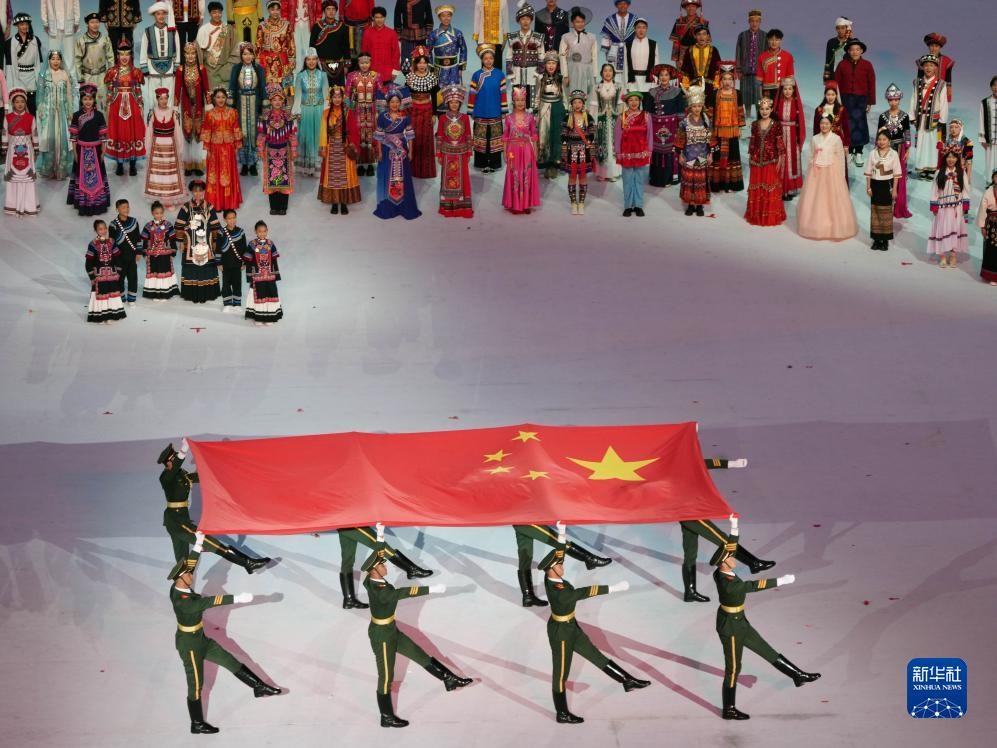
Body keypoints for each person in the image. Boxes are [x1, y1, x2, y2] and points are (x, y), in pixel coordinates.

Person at [711, 514, 820, 721]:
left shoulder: (722, 572)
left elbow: (731, 547)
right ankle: (729, 709)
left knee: (765, 649)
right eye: (730, 558)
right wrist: (781, 581)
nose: (734, 558)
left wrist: (734, 527)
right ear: (723, 564)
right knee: (733, 668)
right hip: (731, 627)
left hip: (738, 621)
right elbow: (753, 586)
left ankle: (797, 675)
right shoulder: (730, 586)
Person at [538, 524, 649, 724]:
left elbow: (559, 553)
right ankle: (562, 713)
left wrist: (561, 533)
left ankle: (627, 680)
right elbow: (585, 592)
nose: (562, 566)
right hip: (561, 633)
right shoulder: (561, 593)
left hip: (571, 626)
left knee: (595, 654)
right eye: (559, 565)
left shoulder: (551, 577)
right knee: (561, 673)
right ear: (551, 569)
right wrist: (614, 588)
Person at [362, 533, 472, 728]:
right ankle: (386, 717)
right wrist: (431, 589)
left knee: (419, 654)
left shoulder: (370, 580)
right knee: (386, 676)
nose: (386, 567)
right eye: (383, 565)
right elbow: (404, 592)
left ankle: (449, 679)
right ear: (375, 570)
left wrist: (379, 537)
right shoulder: (383, 592)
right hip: (382, 636)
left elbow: (375, 557)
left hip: (390, 629)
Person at [168, 544, 281, 735]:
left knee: (229, 660)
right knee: (195, 685)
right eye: (188, 575)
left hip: (201, 639)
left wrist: (197, 547)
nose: (192, 576)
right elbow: (210, 601)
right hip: (190, 646)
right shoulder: (185, 603)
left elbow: (191, 566)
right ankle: (197, 723)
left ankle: (259, 687)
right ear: (181, 578)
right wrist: (237, 598)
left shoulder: (179, 586)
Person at [157, 440, 274, 565]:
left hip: (180, 519)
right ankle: (248, 563)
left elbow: (202, 476)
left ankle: (181, 581)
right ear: (169, 463)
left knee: (182, 562)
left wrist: (227, 472)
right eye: (175, 459)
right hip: (176, 521)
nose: (177, 461)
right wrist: (184, 449)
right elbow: (176, 467)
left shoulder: (181, 475)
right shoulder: (165, 477)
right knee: (211, 543)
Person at [339, 523, 433, 609]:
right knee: (381, 546)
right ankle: (411, 569)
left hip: (341, 521)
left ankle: (349, 599)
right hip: (350, 522)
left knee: (347, 560)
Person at [796, 115, 857, 241]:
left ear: (831, 125)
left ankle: (835, 226)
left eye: (827, 124)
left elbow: (841, 157)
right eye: (822, 123)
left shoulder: (836, 139)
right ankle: (815, 225)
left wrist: (841, 175)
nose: (824, 126)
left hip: (832, 172)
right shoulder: (815, 138)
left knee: (832, 198)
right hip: (816, 173)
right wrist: (811, 168)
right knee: (816, 198)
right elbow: (811, 155)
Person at [373, 85, 421, 218]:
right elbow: (379, 136)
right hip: (386, 149)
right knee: (387, 175)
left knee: (402, 176)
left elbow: (410, 135)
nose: (394, 104)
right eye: (392, 102)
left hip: (402, 150)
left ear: (400, 103)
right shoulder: (382, 117)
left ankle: (402, 205)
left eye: (397, 102)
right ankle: (388, 204)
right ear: (388, 103)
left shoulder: (405, 117)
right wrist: (379, 152)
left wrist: (410, 152)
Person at [104, 38, 146, 177]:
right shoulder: (112, 72)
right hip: (117, 104)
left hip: (132, 103)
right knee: (119, 132)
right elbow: (110, 89)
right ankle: (120, 164)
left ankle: (133, 164)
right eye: (121, 54)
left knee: (133, 132)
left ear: (130, 56)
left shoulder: (136, 72)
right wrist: (108, 104)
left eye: (127, 54)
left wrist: (140, 104)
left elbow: (138, 89)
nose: (124, 57)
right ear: (117, 56)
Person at [318, 83, 362, 213]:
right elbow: (323, 132)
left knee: (344, 175)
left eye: (339, 97)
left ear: (343, 98)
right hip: (331, 147)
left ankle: (343, 202)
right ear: (330, 98)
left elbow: (354, 130)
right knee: (333, 175)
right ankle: (334, 202)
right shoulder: (326, 113)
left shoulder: (348, 112)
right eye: (334, 97)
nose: (337, 99)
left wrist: (352, 144)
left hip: (344, 146)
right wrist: (323, 147)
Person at [175, 180, 222, 301]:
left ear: (203, 192)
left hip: (207, 243)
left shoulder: (209, 207)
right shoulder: (186, 207)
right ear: (191, 192)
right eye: (195, 191)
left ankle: (208, 294)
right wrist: (181, 242)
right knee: (191, 267)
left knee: (206, 266)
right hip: (190, 244)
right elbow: (179, 225)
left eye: (200, 191)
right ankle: (191, 294)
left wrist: (215, 241)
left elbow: (215, 226)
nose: (198, 193)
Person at [68, 83, 111, 215]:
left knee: (97, 177)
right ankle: (83, 203)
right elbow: (74, 136)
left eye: (90, 99)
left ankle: (97, 202)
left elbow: (103, 136)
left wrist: (103, 151)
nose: (88, 102)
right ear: (81, 100)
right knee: (82, 176)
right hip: (81, 150)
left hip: (96, 151)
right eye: (85, 99)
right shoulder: (76, 115)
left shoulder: (99, 115)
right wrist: (75, 152)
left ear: (94, 100)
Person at [35, 51, 76, 181]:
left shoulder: (65, 74)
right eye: (53, 58)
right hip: (48, 113)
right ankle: (49, 168)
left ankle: (61, 168)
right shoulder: (44, 75)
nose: (56, 61)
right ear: (49, 60)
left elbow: (69, 94)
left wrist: (70, 111)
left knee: (62, 139)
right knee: (49, 139)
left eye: (58, 59)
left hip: (62, 112)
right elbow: (40, 94)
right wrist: (41, 110)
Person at [200, 87, 244, 209]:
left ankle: (229, 202)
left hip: (229, 147)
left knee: (229, 173)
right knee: (215, 174)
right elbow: (207, 131)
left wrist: (237, 145)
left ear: (226, 98)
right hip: (215, 148)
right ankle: (216, 202)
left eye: (223, 97)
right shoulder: (209, 114)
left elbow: (236, 129)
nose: (221, 100)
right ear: (214, 98)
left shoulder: (232, 112)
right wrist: (207, 148)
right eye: (218, 97)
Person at [744, 96, 784, 227]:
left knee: (769, 186)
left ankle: (768, 216)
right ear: (759, 110)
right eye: (762, 109)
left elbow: (779, 142)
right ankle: (757, 214)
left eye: (767, 109)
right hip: (756, 160)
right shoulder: (755, 125)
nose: (764, 111)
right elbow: (753, 142)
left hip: (770, 160)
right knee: (757, 186)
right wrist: (750, 156)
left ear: (771, 109)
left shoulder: (776, 125)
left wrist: (781, 158)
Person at [144, 87, 189, 205]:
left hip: (170, 147)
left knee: (170, 172)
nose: (164, 101)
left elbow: (178, 131)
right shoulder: (152, 113)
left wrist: (180, 148)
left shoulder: (174, 113)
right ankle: (159, 195)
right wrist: (148, 148)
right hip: (157, 147)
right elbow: (148, 132)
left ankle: (170, 197)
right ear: (157, 99)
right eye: (161, 99)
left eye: (165, 98)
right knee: (158, 171)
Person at [257, 84, 297, 214]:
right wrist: (260, 149)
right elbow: (262, 135)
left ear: (283, 100)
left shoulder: (288, 116)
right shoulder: (265, 116)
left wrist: (294, 149)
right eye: (274, 99)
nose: (277, 102)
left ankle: (283, 207)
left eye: (280, 99)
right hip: (270, 151)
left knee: (284, 178)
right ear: (270, 101)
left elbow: (292, 135)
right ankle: (273, 207)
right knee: (272, 179)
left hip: (285, 150)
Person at [435, 83, 474, 217]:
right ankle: (448, 207)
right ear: (447, 103)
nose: (454, 104)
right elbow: (440, 136)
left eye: (456, 102)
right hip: (447, 153)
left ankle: (462, 207)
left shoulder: (465, 118)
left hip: (461, 153)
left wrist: (469, 152)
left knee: (463, 179)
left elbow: (468, 135)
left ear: (460, 103)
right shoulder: (442, 118)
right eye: (451, 102)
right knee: (448, 179)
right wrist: (438, 153)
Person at [834, 38, 875, 166]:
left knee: (860, 124)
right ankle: (850, 150)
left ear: (861, 51)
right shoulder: (842, 65)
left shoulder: (867, 65)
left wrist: (870, 102)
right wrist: (836, 100)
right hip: (846, 98)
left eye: (857, 49)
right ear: (848, 51)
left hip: (861, 99)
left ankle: (859, 152)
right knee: (847, 124)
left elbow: (871, 83)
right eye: (852, 50)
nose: (855, 52)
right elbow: (836, 82)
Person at [927, 149, 969, 268]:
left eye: (953, 157)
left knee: (956, 229)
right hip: (943, 208)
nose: (951, 160)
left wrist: (965, 205)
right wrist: (934, 205)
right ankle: (942, 256)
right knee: (942, 230)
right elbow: (934, 190)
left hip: (956, 207)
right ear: (945, 158)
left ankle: (953, 255)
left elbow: (965, 189)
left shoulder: (961, 172)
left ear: (957, 159)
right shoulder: (939, 172)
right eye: (948, 157)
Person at [229, 43, 266, 176]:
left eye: (250, 53)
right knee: (242, 131)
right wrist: (231, 104)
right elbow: (232, 86)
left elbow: (262, 87)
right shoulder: (236, 68)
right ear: (241, 55)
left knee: (254, 131)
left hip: (255, 103)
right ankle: (244, 164)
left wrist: (264, 103)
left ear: (254, 55)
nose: (248, 56)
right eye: (245, 54)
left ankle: (254, 163)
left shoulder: (259, 69)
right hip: (241, 103)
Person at [173, 43, 209, 179]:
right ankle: (188, 164)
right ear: (184, 55)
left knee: (198, 133)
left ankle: (198, 164)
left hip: (199, 106)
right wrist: (175, 107)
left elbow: (206, 88)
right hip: (186, 106)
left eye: (193, 53)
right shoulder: (180, 70)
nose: (190, 56)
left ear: (196, 55)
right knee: (187, 132)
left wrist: (209, 105)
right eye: (187, 54)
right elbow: (177, 89)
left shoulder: (202, 69)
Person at [468, 44, 506, 172]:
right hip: (480, 111)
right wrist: (471, 110)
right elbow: (472, 94)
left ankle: (494, 163)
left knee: (495, 139)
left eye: (491, 58)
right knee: (481, 140)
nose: (488, 61)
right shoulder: (476, 75)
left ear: (494, 59)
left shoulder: (500, 75)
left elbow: (503, 94)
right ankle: (482, 163)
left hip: (495, 112)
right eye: (486, 58)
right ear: (482, 60)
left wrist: (504, 110)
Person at [1, 88, 39, 216]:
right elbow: (5, 134)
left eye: (22, 101)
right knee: (14, 177)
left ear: (25, 102)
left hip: (28, 150)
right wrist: (4, 147)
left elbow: (34, 133)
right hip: (12, 152)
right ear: (12, 103)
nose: (20, 104)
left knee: (27, 177)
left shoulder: (31, 117)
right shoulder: (7, 117)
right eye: (17, 102)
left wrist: (36, 148)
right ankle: (13, 205)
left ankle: (29, 206)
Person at [503, 84, 540, 214]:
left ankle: (526, 204)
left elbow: (534, 135)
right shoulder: (508, 118)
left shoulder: (530, 117)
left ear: (525, 101)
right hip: (513, 151)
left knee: (526, 175)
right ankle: (514, 204)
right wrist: (504, 152)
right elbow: (505, 136)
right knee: (514, 175)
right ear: (513, 101)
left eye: (522, 100)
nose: (520, 103)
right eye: (517, 100)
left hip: (527, 150)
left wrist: (535, 150)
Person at [643, 63, 682, 188]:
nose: (664, 77)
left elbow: (681, 111)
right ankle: (657, 178)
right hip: (655, 126)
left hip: (672, 126)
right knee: (657, 151)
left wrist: (681, 128)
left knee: (671, 151)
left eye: (666, 75)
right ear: (658, 77)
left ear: (670, 77)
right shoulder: (652, 92)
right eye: (661, 75)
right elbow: (647, 111)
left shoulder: (677, 91)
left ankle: (671, 177)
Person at [909, 54, 947, 180]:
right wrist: (912, 116)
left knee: (932, 144)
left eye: (931, 65)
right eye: (926, 65)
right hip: (921, 118)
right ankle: (921, 167)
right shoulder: (917, 82)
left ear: (936, 68)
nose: (928, 68)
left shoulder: (941, 84)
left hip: (933, 119)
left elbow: (943, 102)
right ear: (922, 67)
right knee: (921, 143)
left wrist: (942, 120)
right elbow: (913, 99)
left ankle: (931, 168)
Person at [676, 85, 712, 216]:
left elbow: (711, 139)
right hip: (688, 155)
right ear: (690, 107)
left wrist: (710, 154)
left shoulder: (706, 121)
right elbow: (680, 139)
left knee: (700, 181)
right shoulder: (684, 122)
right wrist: (680, 154)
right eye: (694, 106)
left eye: (699, 106)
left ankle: (700, 205)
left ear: (702, 106)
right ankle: (691, 204)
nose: (697, 109)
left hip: (702, 155)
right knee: (689, 180)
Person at [615, 88, 651, 217]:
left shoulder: (646, 116)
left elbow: (649, 135)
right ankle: (628, 206)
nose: (634, 102)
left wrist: (649, 150)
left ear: (640, 101)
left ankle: (638, 205)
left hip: (641, 152)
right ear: (627, 102)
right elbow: (617, 136)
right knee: (627, 180)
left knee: (640, 179)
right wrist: (618, 151)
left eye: (636, 100)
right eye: (631, 100)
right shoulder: (622, 117)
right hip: (626, 152)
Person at [878, 83, 912, 219]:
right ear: (888, 100)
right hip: (885, 149)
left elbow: (907, 133)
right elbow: (879, 135)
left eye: (896, 99)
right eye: (891, 100)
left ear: (899, 100)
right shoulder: (883, 116)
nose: (894, 102)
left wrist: (908, 149)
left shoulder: (905, 116)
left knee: (898, 175)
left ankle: (898, 205)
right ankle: (885, 204)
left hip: (900, 148)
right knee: (885, 175)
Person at [345, 51, 382, 176]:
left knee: (370, 136)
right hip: (357, 110)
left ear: (370, 63)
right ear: (358, 63)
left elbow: (380, 95)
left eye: (366, 63)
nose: (364, 65)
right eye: (362, 63)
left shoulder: (377, 76)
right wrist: (348, 111)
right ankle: (359, 164)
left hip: (372, 110)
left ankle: (371, 164)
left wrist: (379, 112)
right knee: (359, 136)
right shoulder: (352, 76)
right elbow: (347, 95)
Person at [405, 45, 440, 179]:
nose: (422, 65)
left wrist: (434, 114)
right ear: (415, 63)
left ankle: (426, 171)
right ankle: (413, 170)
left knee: (426, 139)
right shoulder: (410, 77)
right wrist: (406, 113)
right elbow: (406, 97)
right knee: (414, 137)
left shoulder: (432, 77)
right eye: (419, 62)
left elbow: (435, 97)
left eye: (424, 62)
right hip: (413, 110)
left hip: (427, 110)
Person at [710, 62, 744, 192]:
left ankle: (731, 184)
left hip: (733, 131)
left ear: (733, 80)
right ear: (721, 80)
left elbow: (740, 111)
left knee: (732, 156)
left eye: (730, 79)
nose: (727, 82)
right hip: (718, 131)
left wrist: (740, 128)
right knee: (718, 156)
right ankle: (718, 184)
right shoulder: (715, 93)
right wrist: (711, 129)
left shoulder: (737, 93)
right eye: (725, 79)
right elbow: (711, 112)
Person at [864, 129, 900, 251]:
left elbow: (896, 174)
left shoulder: (893, 154)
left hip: (887, 185)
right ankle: (876, 239)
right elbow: (868, 172)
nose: (881, 142)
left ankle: (884, 240)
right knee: (875, 212)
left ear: (889, 141)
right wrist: (868, 187)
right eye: (879, 139)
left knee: (886, 213)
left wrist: (894, 190)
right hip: (875, 185)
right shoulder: (872, 153)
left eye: (884, 139)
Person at [292, 47, 326, 176]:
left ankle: (317, 167)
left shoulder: (323, 75)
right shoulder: (300, 76)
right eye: (308, 59)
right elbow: (298, 96)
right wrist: (297, 112)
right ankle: (307, 167)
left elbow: (326, 95)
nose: (311, 62)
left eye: (313, 59)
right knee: (306, 139)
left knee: (318, 138)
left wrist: (326, 113)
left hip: (319, 111)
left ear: (317, 60)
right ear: (305, 61)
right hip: (305, 111)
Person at [505, 3, 544, 110]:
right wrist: (510, 73)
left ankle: (530, 118)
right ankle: (517, 119)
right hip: (517, 72)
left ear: (531, 20)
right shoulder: (512, 37)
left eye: (528, 19)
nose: (525, 21)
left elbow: (541, 57)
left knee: (531, 99)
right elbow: (508, 57)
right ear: (519, 21)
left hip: (532, 73)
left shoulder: (538, 37)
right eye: (523, 19)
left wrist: (538, 72)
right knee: (517, 98)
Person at [86, 219, 127, 323]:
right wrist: (92, 277)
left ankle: (111, 316)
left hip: (111, 274)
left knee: (112, 294)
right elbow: (88, 262)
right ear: (96, 230)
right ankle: (100, 316)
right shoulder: (92, 244)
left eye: (105, 228)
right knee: (101, 295)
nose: (103, 231)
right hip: (99, 276)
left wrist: (119, 271)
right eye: (100, 229)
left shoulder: (112, 242)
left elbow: (117, 258)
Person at [140, 2, 180, 108]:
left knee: (169, 94)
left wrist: (176, 66)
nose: (161, 16)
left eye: (163, 13)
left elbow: (178, 49)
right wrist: (144, 68)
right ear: (154, 15)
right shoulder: (148, 31)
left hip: (169, 67)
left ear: (166, 15)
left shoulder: (173, 30)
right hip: (152, 67)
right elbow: (143, 49)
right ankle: (154, 115)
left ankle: (169, 115)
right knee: (154, 94)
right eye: (158, 14)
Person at [243, 220, 283, 325]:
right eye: (260, 231)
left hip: (269, 275)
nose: (262, 233)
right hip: (257, 276)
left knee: (271, 293)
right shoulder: (252, 244)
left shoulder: (270, 244)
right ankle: (259, 317)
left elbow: (274, 260)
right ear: (255, 232)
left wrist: (276, 274)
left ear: (267, 231)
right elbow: (248, 260)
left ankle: (270, 317)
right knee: (258, 295)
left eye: (264, 231)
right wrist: (249, 276)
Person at [561, 89, 595, 214]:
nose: (577, 105)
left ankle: (581, 203)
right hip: (571, 151)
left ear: (583, 103)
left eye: (579, 102)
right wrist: (565, 144)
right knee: (572, 176)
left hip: (584, 151)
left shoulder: (588, 117)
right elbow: (563, 133)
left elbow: (592, 131)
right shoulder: (567, 118)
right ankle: (573, 203)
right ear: (571, 104)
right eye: (574, 102)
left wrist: (590, 140)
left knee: (583, 176)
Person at [139, 199, 180, 300]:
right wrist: (144, 253)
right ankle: (155, 294)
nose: (159, 215)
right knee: (155, 273)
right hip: (152, 254)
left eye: (161, 213)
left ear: (163, 212)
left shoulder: (168, 225)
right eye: (156, 213)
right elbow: (145, 241)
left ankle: (165, 293)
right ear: (152, 213)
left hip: (165, 254)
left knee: (164, 272)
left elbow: (172, 239)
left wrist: (173, 252)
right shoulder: (148, 226)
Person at [75, 13, 114, 113]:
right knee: (88, 103)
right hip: (87, 76)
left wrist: (110, 75)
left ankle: (104, 123)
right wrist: (80, 78)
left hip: (102, 76)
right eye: (92, 22)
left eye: (97, 22)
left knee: (103, 103)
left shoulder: (105, 39)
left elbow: (110, 58)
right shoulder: (81, 40)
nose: (95, 24)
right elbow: (77, 59)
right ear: (87, 24)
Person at [535, 50, 565, 180]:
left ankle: (555, 164)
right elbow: (537, 96)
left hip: (558, 109)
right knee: (544, 135)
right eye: (548, 63)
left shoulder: (561, 79)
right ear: (545, 65)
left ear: (557, 65)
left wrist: (566, 110)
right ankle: (546, 163)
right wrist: (536, 110)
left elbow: (565, 96)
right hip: (544, 109)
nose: (551, 66)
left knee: (556, 136)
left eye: (553, 63)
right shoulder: (540, 78)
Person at [4, 13, 43, 114]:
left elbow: (39, 62)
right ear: (17, 25)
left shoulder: (35, 40)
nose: (25, 26)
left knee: (33, 107)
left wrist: (40, 80)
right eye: (22, 24)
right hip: (18, 77)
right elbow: (9, 66)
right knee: (18, 108)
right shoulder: (9, 43)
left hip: (32, 77)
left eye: (26, 24)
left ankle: (34, 123)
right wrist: (11, 83)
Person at [197, 2, 239, 93]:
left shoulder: (228, 29)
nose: (217, 15)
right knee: (211, 94)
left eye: (219, 12)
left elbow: (235, 50)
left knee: (226, 95)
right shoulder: (203, 29)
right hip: (209, 69)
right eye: (214, 12)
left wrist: (228, 67)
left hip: (225, 67)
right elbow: (199, 52)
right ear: (210, 13)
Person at [774, 76, 804, 200]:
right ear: (782, 89)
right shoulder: (779, 103)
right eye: (785, 89)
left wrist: (800, 139)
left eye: (790, 89)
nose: (787, 91)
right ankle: (780, 187)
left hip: (792, 136)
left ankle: (790, 188)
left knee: (791, 161)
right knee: (781, 159)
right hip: (780, 135)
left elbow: (800, 122)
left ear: (793, 90)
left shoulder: (796, 104)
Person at [558, 7, 596, 105]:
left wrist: (594, 75)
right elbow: (562, 57)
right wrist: (565, 75)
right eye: (577, 22)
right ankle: (571, 114)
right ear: (572, 23)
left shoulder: (591, 37)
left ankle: (585, 114)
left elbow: (594, 57)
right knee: (571, 95)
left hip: (587, 70)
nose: (580, 24)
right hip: (572, 70)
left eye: (582, 22)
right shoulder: (566, 37)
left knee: (586, 95)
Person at [109, 198, 143, 303]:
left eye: (127, 207)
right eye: (123, 207)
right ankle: (121, 298)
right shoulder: (113, 225)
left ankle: (132, 299)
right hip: (119, 257)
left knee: (133, 277)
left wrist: (139, 252)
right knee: (120, 277)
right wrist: (114, 257)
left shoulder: (134, 221)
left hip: (132, 255)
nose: (126, 209)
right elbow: (112, 242)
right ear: (117, 209)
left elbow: (138, 238)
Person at [309, 0, 351, 86]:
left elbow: (346, 46)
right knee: (322, 91)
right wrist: (313, 64)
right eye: (328, 9)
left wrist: (346, 66)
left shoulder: (342, 26)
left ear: (336, 11)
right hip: (321, 66)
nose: (331, 11)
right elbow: (312, 47)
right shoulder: (317, 26)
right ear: (324, 11)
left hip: (339, 66)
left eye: (333, 9)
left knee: (338, 91)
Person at [257, 0, 295, 94]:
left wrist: (292, 59)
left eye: (277, 9)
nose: (275, 12)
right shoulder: (262, 26)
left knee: (286, 90)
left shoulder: (286, 24)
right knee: (268, 90)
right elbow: (258, 45)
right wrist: (257, 60)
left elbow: (291, 43)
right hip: (267, 61)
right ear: (268, 10)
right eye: (272, 9)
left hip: (283, 60)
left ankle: (287, 103)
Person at [680, 24, 719, 113]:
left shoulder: (713, 50)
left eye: (704, 34)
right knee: (695, 111)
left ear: (708, 36)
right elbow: (685, 71)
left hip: (710, 87)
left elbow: (717, 70)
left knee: (710, 112)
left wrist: (716, 85)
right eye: (699, 34)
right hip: (694, 87)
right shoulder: (689, 50)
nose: (701, 37)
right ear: (695, 36)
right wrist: (686, 87)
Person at [591, 62, 620, 181]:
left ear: (613, 73)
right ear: (601, 73)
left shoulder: (618, 87)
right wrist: (593, 122)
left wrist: (622, 121)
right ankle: (601, 173)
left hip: (614, 119)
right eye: (605, 71)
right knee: (601, 145)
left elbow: (621, 105)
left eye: (610, 71)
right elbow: (593, 105)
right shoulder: (597, 87)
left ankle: (613, 173)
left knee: (614, 145)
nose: (608, 73)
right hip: (601, 120)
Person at [426, 4, 466, 87]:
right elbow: (428, 51)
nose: (446, 18)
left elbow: (463, 50)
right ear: (439, 17)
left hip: (454, 69)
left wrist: (461, 67)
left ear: (451, 17)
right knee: (439, 92)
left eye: (448, 15)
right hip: (438, 69)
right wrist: (431, 68)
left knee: (453, 92)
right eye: (443, 16)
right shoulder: (433, 34)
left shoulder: (458, 33)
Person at [360, 6, 401, 85]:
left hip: (388, 72)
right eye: (377, 17)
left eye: (381, 17)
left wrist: (395, 71)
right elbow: (364, 52)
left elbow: (396, 53)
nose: (379, 20)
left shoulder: (392, 33)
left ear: (385, 18)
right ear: (373, 18)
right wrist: (365, 69)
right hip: (371, 72)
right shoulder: (367, 33)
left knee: (387, 92)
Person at [734, 9, 763, 118]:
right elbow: (738, 53)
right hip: (745, 72)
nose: (754, 23)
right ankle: (748, 117)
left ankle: (759, 118)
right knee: (746, 97)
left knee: (758, 97)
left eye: (757, 21)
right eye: (752, 21)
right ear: (749, 22)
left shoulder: (764, 36)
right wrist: (738, 70)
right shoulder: (742, 35)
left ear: (760, 22)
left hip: (759, 73)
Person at [216, 208, 247, 310]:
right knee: (226, 284)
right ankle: (227, 304)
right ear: (225, 220)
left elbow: (244, 248)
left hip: (237, 264)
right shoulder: (221, 232)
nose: (232, 220)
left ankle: (237, 304)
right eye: (229, 218)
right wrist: (219, 263)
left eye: (234, 218)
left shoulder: (241, 232)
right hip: (225, 264)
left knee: (237, 283)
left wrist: (244, 262)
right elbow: (218, 248)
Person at [600, 0, 635, 83]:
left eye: (625, 3)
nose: (622, 5)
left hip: (629, 50)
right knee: (614, 74)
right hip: (614, 50)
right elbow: (606, 37)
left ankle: (628, 90)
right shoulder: (610, 19)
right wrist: (607, 54)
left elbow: (637, 37)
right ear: (616, 5)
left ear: (628, 4)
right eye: (620, 3)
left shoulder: (634, 19)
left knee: (629, 72)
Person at [813, 80, 849, 160]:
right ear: (825, 95)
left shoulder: (841, 109)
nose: (830, 97)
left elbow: (846, 129)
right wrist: (816, 143)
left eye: (833, 94)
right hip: (822, 141)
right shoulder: (819, 110)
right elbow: (816, 129)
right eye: (828, 94)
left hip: (838, 140)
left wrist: (846, 145)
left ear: (836, 95)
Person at [757, 28, 793, 102]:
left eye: (776, 40)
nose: (774, 42)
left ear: (780, 40)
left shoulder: (788, 56)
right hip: (767, 91)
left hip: (782, 89)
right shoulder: (761, 57)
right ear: (768, 40)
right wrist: (760, 95)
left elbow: (790, 76)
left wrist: (789, 92)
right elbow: (759, 79)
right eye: (771, 40)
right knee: (767, 109)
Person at [622, 17, 656, 94]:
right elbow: (626, 65)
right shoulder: (628, 45)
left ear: (646, 29)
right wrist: (626, 85)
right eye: (639, 27)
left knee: (647, 101)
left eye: (644, 27)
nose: (641, 30)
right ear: (635, 29)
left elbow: (656, 65)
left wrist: (654, 85)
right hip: (633, 82)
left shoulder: (653, 44)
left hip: (648, 83)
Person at [937, 119, 973, 188]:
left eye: (956, 127)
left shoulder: (967, 142)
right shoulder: (946, 140)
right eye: (951, 127)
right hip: (948, 168)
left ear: (960, 129)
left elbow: (969, 161)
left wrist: (968, 177)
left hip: (960, 169)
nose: (953, 129)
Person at [918, 32, 954, 103]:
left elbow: (948, 79)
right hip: (925, 90)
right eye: (931, 46)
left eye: (936, 46)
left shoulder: (946, 61)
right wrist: (919, 92)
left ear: (940, 47)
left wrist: (947, 95)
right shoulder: (922, 60)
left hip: (940, 91)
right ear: (928, 47)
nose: (934, 48)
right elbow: (919, 78)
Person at [668, 0, 706, 67]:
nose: (691, 8)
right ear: (685, 8)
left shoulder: (703, 22)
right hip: (682, 55)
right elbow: (676, 42)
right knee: (682, 73)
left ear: (696, 7)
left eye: (693, 6)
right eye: (688, 6)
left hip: (698, 53)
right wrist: (676, 59)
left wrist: (705, 58)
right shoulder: (679, 22)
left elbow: (706, 42)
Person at [977, 167, 997, 285]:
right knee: (992, 250)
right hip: (992, 224)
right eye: (996, 176)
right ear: (993, 178)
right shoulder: (988, 192)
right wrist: (982, 226)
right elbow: (982, 210)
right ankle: (992, 275)